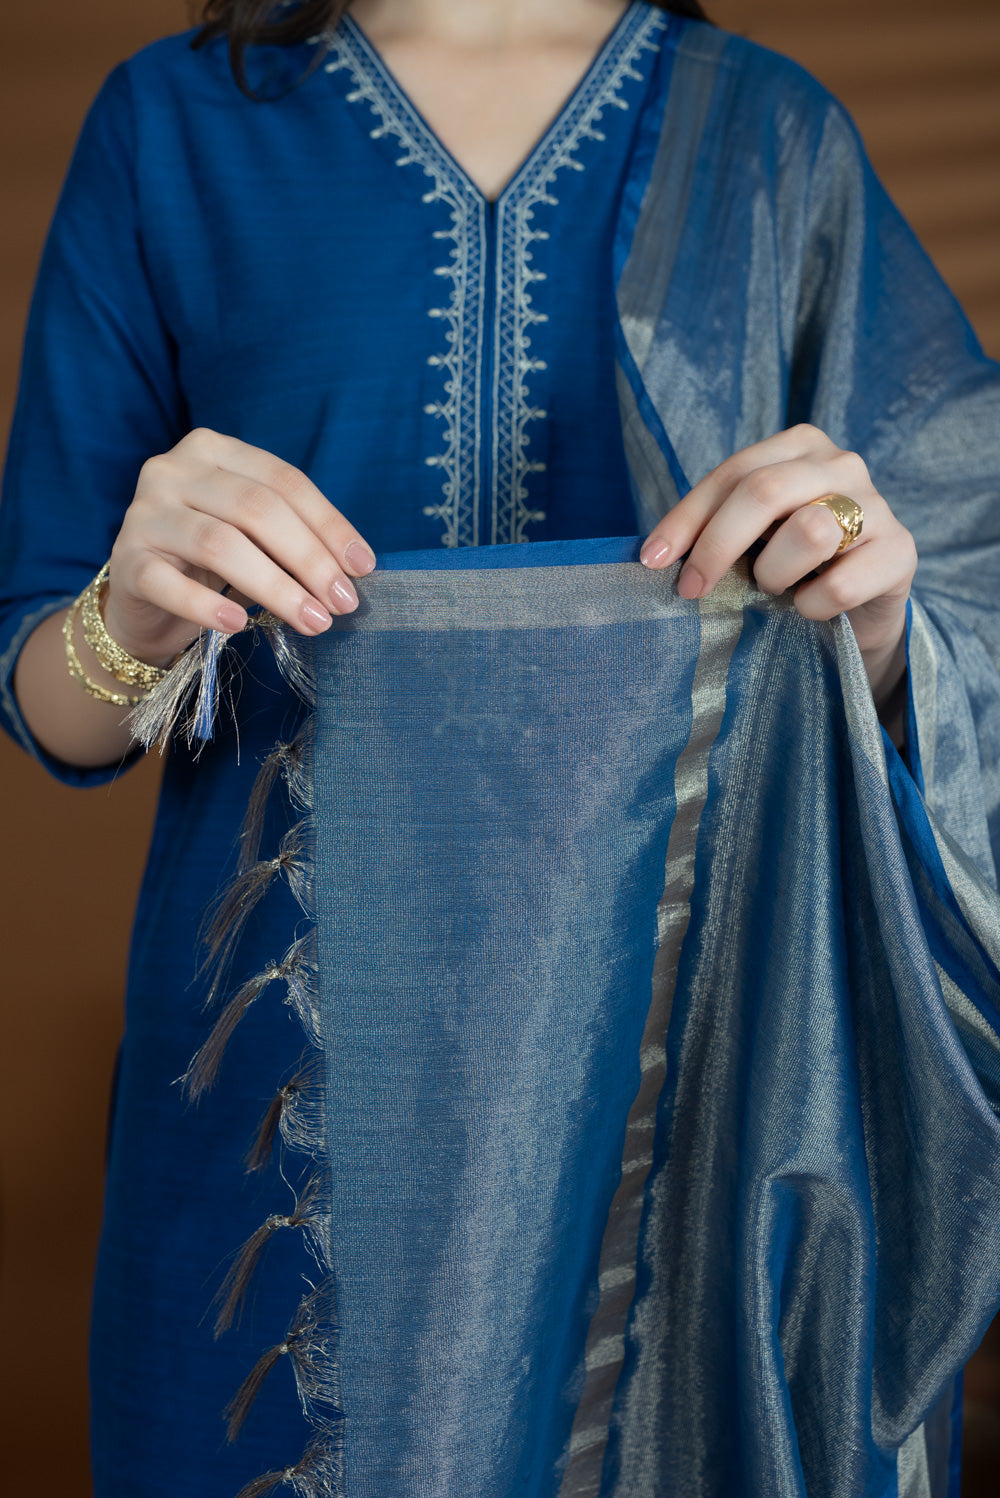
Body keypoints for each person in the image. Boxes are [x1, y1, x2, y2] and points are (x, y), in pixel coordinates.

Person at [0, 2, 998, 1495]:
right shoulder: (174, 126)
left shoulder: (766, 135)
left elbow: (959, 598)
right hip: (286, 1077)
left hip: (681, 1050)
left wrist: (875, 622)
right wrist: (130, 610)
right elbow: (46, 692)